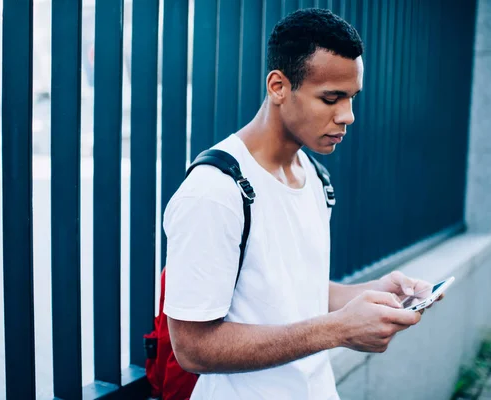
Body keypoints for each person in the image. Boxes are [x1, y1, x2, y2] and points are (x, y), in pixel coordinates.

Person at [162, 8, 439, 400]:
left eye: (352, 97)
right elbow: (192, 347)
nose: (348, 116)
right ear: (278, 86)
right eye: (331, 98)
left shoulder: (312, 175)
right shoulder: (214, 193)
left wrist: (373, 293)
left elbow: (287, 290)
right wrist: (337, 329)